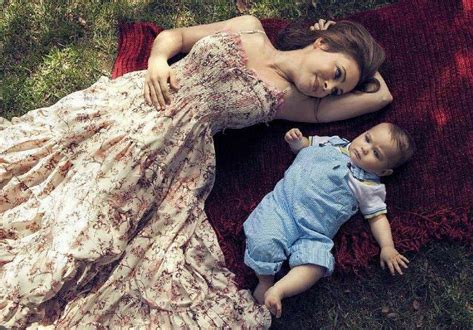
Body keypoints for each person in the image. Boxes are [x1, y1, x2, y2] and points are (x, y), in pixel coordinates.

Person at [0, 16, 391, 328]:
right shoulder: (249, 29)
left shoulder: (296, 103)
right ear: (321, 43)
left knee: (88, 221)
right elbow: (176, 36)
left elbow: (382, 96)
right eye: (336, 73)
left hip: (169, 150)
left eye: (337, 89)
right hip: (133, 101)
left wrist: (363, 73)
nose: (327, 87)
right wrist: (156, 60)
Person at [244, 123, 415, 318]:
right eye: (367, 139)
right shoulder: (333, 142)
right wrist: (296, 141)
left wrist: (387, 246)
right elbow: (304, 146)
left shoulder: (369, 186)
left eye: (376, 154)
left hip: (315, 233)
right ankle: (265, 280)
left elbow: (377, 217)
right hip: (283, 208)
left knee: (317, 264)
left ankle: (280, 290)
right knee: (263, 240)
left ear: (384, 172)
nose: (365, 148)